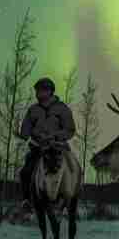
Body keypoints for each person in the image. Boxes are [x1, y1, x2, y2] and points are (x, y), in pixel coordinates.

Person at [19, 77, 76, 208]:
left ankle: (71, 199)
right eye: (36, 91)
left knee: (74, 169)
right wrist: (23, 134)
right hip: (38, 148)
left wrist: (55, 136)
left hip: (58, 148)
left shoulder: (62, 109)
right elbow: (25, 130)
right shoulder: (33, 110)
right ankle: (27, 201)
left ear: (49, 91)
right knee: (25, 172)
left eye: (40, 91)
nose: (37, 94)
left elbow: (70, 129)